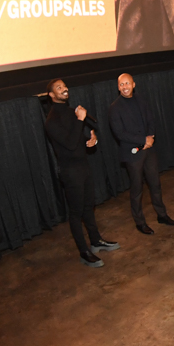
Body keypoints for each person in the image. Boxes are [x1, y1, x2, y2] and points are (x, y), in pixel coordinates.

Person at [44, 79, 119, 267]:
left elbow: (77, 138)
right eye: (59, 88)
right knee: (76, 212)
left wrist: (89, 141)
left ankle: (96, 241)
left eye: (64, 86)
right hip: (70, 172)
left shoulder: (70, 112)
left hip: (83, 167)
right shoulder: (51, 120)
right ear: (52, 95)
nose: (64, 89)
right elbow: (68, 144)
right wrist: (80, 120)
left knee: (89, 206)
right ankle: (84, 252)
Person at [107, 73, 174, 235]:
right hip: (133, 154)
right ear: (118, 87)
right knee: (137, 189)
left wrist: (151, 137)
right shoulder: (115, 108)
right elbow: (119, 133)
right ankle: (140, 222)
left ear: (134, 84)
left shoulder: (141, 99)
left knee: (155, 184)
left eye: (127, 83)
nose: (124, 87)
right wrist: (142, 140)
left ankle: (162, 215)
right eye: (121, 84)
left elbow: (150, 120)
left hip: (149, 150)